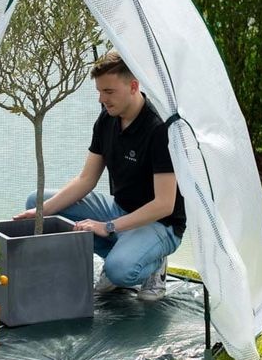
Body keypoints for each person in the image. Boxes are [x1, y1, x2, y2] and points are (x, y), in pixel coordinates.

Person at [14, 50, 186, 301]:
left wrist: (107, 227)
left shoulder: (158, 129)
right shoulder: (107, 118)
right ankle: (126, 250)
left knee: (119, 271)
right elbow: (86, 179)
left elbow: (164, 205)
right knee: (37, 203)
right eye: (99, 91)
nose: (101, 99)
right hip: (119, 209)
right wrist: (42, 211)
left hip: (160, 223)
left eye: (109, 91)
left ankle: (154, 263)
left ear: (133, 86)